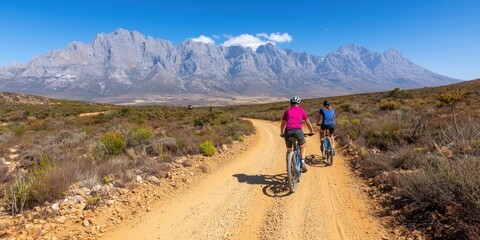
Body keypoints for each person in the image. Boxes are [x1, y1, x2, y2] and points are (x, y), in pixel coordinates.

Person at [280, 96, 315, 172]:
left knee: (289, 150)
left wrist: (281, 133)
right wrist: (312, 131)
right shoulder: (301, 110)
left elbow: (283, 124)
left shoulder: (287, 111)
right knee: (303, 146)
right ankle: (302, 162)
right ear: (298, 103)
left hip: (288, 131)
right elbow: (308, 122)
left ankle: (288, 167)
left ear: (291, 103)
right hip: (298, 131)